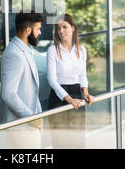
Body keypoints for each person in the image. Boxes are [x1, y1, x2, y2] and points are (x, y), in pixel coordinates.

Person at [0, 11, 44, 149]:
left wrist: (39, 117)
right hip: (19, 126)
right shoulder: (14, 54)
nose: (40, 32)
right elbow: (8, 94)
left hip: (28, 125)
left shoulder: (24, 49)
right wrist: (31, 118)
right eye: (38, 29)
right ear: (28, 30)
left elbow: (32, 90)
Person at [46, 13, 95, 148]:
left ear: (73, 28)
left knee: (77, 141)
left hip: (76, 94)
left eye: (64, 27)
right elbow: (52, 80)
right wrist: (69, 99)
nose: (61, 31)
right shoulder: (52, 50)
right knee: (60, 143)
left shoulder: (81, 50)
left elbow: (82, 75)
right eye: (58, 28)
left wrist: (85, 92)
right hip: (58, 97)